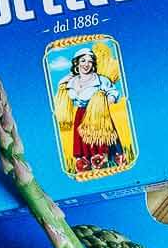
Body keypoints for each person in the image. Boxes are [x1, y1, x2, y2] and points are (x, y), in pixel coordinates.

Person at [53, 46, 127, 175]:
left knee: (102, 143)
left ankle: (108, 165)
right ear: (77, 63)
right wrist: (63, 83)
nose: (86, 64)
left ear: (93, 64)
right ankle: (85, 167)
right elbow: (63, 93)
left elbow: (113, 92)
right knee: (83, 146)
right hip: (80, 116)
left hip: (98, 117)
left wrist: (104, 103)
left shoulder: (101, 80)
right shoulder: (72, 81)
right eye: (83, 61)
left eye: (89, 61)